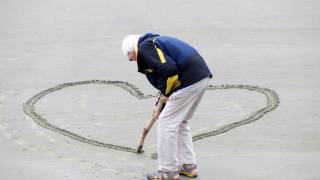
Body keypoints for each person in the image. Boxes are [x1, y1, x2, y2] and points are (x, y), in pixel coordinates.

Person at [122, 33, 212, 180]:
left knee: (166, 123)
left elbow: (170, 71)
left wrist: (166, 96)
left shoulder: (145, 48)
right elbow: (167, 76)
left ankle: (168, 171)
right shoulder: (153, 42)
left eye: (129, 54)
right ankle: (188, 166)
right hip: (200, 77)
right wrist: (160, 103)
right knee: (180, 121)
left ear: (133, 49)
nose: (130, 59)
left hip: (188, 81)